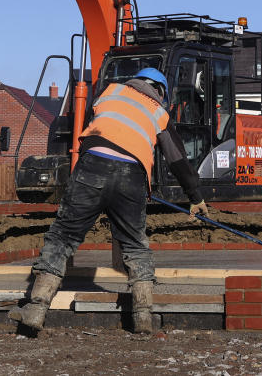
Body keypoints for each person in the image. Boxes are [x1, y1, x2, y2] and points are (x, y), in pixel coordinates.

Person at [12, 67, 209, 334]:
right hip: (132, 176)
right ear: (160, 91)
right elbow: (177, 160)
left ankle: (36, 308)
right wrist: (195, 197)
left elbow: (100, 127)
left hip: (91, 167)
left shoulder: (110, 92)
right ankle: (142, 317)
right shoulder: (159, 113)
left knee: (63, 237)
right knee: (135, 246)